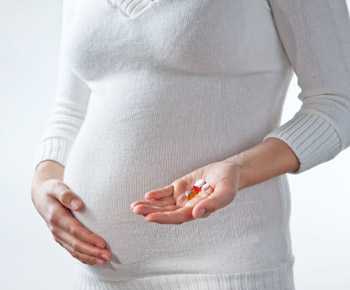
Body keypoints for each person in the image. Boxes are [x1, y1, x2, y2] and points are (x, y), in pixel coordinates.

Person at [30, 0, 350, 289]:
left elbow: (338, 102)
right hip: (101, 270)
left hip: (225, 265)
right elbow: (71, 108)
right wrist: (43, 181)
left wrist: (237, 170)